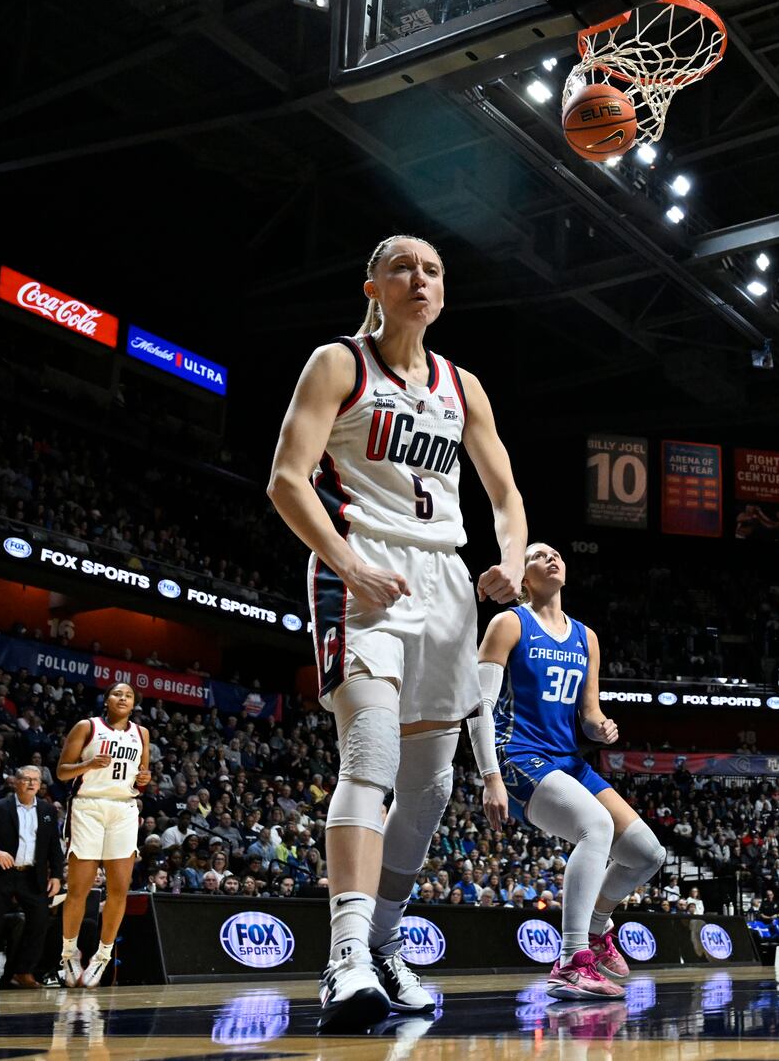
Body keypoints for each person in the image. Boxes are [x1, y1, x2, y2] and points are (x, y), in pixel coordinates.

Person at [268, 234, 527, 1032]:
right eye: (405, 267)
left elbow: (506, 496)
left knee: (429, 787)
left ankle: (381, 943)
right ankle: (344, 954)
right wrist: (349, 565)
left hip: (447, 581)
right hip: (363, 571)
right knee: (371, 754)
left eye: (435, 270)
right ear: (373, 284)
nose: (422, 278)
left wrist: (510, 562)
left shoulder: (463, 385)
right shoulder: (339, 364)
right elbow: (286, 478)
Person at [480, 542, 664, 1000]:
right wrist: (490, 777)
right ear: (523, 578)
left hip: (568, 759)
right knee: (595, 827)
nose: (553, 559)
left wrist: (600, 728)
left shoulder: (587, 637)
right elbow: (478, 706)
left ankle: (598, 927)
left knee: (647, 853)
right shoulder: (508, 623)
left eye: (557, 554)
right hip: (518, 754)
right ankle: (570, 960)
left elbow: (588, 712)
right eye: (539, 556)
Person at [56, 682, 150, 988]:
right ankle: (69, 952)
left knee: (119, 889)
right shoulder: (88, 727)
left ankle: (103, 955)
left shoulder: (141, 734)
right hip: (88, 807)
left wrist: (145, 779)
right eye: (117, 694)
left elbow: (141, 778)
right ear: (107, 700)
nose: (123, 698)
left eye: (129, 696)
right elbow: (62, 771)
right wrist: (87, 764)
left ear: (134, 704)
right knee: (79, 889)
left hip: (123, 808)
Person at [0, 767, 65, 989]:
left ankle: (22, 971)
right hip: (1, 874)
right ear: (16, 782)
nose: (31, 783)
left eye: (36, 780)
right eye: (27, 779)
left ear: (40, 785)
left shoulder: (48, 810)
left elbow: (54, 847)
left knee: (39, 922)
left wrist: (57, 875)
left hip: (32, 875)